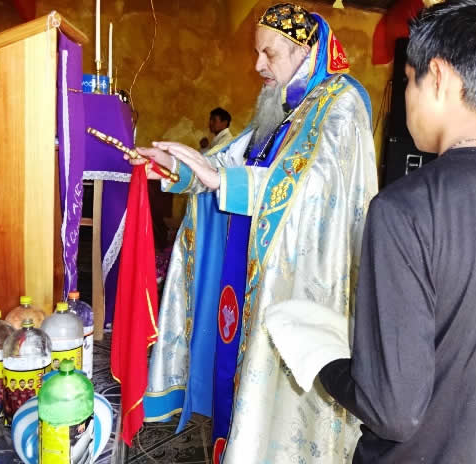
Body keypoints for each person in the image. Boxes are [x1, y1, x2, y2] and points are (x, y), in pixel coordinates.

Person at [267, 2, 476, 462]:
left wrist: (322, 359)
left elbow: (392, 412)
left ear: (436, 76)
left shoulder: (405, 211)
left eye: (406, 81)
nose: (405, 98)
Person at [135, 3, 377, 462]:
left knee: (277, 414)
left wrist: (222, 180)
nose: (258, 64)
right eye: (256, 52)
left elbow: (315, 190)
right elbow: (230, 161)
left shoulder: (340, 102)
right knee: (237, 386)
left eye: (270, 53)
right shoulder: (282, 104)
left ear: (304, 51)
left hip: (293, 285)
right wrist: (178, 168)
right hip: (245, 273)